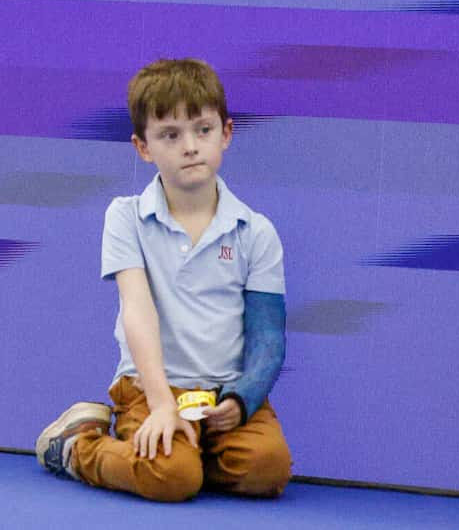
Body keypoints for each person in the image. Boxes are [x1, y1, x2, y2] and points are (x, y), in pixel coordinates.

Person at [33, 57, 293, 503]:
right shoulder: (125, 217)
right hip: (150, 389)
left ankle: (192, 454)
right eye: (170, 135)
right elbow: (137, 309)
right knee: (170, 478)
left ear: (226, 133)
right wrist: (160, 404)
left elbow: (269, 335)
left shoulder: (257, 231)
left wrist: (242, 399)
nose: (190, 146)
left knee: (267, 470)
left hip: (224, 394)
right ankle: (79, 447)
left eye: (203, 130)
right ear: (143, 147)